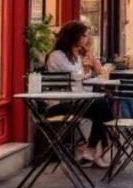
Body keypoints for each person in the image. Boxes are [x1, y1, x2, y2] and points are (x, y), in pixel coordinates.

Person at [46, 21, 114, 168]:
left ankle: (92, 149)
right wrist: (85, 70)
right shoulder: (57, 56)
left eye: (87, 36)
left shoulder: (75, 56)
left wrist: (88, 67)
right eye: (83, 36)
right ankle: (105, 144)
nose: (86, 39)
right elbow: (75, 76)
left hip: (76, 99)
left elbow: (81, 78)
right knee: (101, 104)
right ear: (73, 36)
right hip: (59, 104)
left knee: (102, 104)